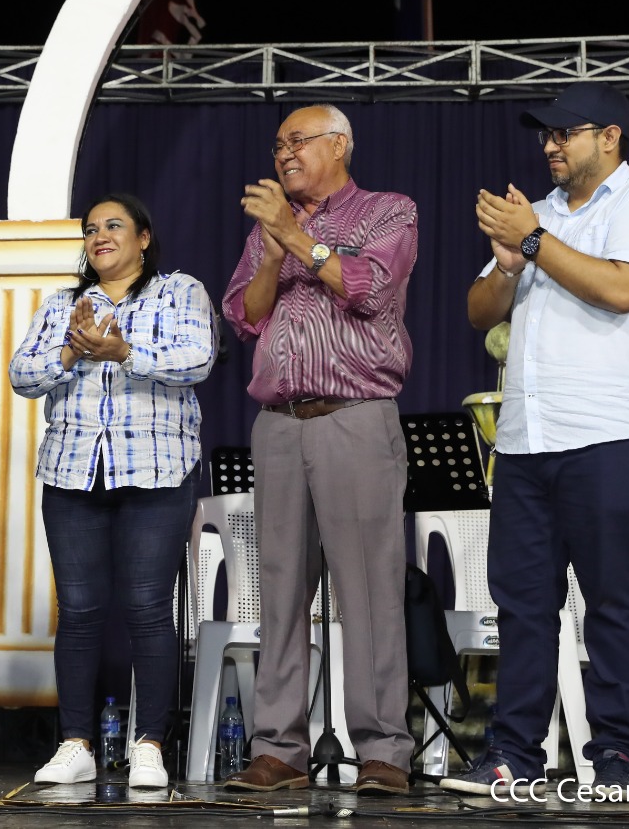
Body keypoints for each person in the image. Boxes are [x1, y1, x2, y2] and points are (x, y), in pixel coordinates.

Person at [440, 83, 629, 800]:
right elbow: (477, 310)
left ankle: (620, 755)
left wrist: (533, 243)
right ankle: (513, 755)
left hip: (611, 431)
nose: (549, 145)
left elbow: (620, 290)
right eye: (545, 134)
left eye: (564, 133)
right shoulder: (537, 215)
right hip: (525, 439)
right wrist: (509, 264)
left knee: (613, 598)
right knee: (521, 606)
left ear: (609, 137)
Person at [221, 105, 418, 796]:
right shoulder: (270, 227)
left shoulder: (387, 211)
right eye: (278, 144)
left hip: (352, 418)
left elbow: (369, 288)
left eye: (298, 141)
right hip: (279, 423)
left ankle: (383, 748)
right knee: (279, 591)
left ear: (339, 145)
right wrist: (275, 248)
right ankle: (280, 747)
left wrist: (296, 237)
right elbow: (246, 316)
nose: (284, 154)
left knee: (368, 590)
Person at [11, 193, 217, 789]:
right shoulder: (62, 304)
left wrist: (124, 352)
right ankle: (75, 743)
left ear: (143, 237)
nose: (99, 235)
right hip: (72, 473)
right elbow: (22, 375)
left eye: (114, 225)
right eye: (90, 228)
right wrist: (72, 350)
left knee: (148, 609)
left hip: (156, 472)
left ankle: (148, 745)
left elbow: (197, 359)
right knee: (77, 612)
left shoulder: (180, 292)